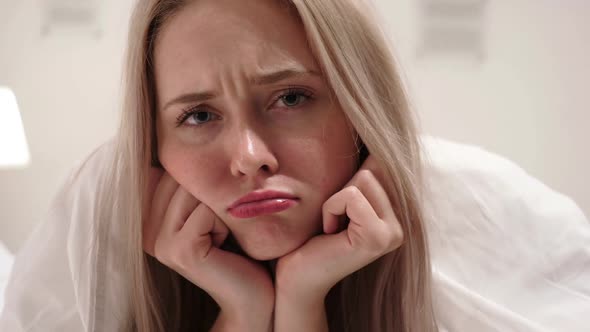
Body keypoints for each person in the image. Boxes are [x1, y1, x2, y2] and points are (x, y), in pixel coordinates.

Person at [1, 0, 589, 331]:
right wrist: (246, 310)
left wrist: (304, 297)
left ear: (360, 111)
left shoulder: (480, 202)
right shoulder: (105, 205)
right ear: (155, 146)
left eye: (290, 98)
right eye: (198, 116)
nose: (250, 159)